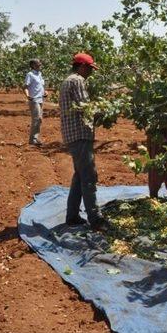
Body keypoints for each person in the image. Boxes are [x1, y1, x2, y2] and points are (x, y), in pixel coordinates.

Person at [59, 52, 107, 230]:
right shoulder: (77, 80)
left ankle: (72, 216)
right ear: (82, 66)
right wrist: (106, 110)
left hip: (73, 135)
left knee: (79, 176)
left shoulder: (68, 80)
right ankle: (96, 219)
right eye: (90, 69)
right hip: (79, 134)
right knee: (88, 176)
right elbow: (86, 107)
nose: (91, 73)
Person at [23, 59, 47, 145]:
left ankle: (35, 138)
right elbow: (25, 87)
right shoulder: (30, 74)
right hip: (34, 100)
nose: (40, 65)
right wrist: (28, 96)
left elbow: (41, 86)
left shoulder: (39, 74)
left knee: (39, 119)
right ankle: (33, 139)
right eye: (38, 64)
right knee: (36, 119)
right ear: (33, 65)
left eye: (40, 64)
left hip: (40, 99)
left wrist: (45, 92)